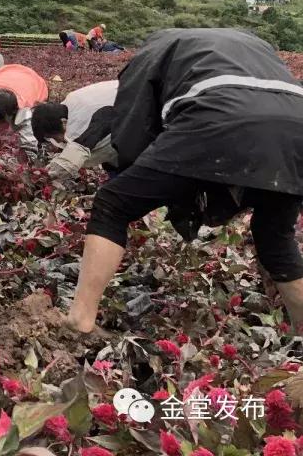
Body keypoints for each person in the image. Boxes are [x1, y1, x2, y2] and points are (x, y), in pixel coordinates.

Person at [65, 28, 303, 334]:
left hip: (219, 118)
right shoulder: (255, 46)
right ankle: (299, 335)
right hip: (297, 128)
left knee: (113, 204)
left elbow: (134, 124)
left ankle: (80, 318)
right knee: (276, 238)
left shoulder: (156, 49)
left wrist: (134, 171)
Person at [30, 80, 118, 181]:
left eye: (54, 137)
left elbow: (86, 144)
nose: (57, 142)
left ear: (63, 122)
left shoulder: (83, 119)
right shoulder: (68, 106)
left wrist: (63, 165)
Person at [0, 64, 49, 154]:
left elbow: (29, 146)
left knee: (40, 131)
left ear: (13, 113)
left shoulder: (26, 113)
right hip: (5, 73)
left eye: (1, 121)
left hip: (34, 82)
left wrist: (28, 160)